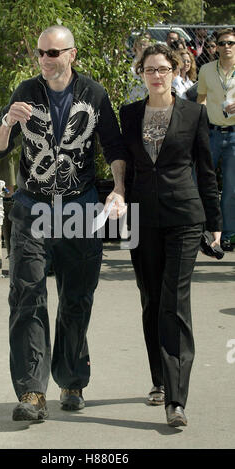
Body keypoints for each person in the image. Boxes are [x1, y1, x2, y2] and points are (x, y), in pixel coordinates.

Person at [0, 25, 126, 421]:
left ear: (72, 55)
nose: (45, 59)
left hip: (79, 208)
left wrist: (118, 188)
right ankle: (32, 392)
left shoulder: (94, 94)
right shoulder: (25, 92)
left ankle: (71, 379)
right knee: (27, 294)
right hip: (31, 208)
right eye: (41, 53)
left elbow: (113, 145)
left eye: (53, 52)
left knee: (77, 298)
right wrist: (8, 123)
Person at [120, 43, 222, 427]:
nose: (157, 75)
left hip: (184, 216)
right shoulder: (129, 115)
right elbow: (124, 167)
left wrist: (214, 222)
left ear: (175, 71)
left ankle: (176, 401)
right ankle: (159, 381)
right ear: (141, 73)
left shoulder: (193, 113)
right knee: (150, 299)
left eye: (163, 69)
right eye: (150, 69)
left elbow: (206, 169)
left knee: (174, 302)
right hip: (139, 218)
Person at [197, 28, 235, 252]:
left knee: (231, 189)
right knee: (204, 185)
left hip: (233, 135)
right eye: (222, 43)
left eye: (231, 43)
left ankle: (228, 234)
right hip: (210, 133)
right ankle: (205, 232)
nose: (227, 47)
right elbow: (200, 100)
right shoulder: (206, 69)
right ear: (217, 47)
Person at [125, 33, 151, 103]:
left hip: (144, 96)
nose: (142, 47)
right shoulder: (128, 60)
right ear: (135, 45)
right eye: (140, 44)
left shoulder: (151, 62)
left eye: (145, 45)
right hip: (129, 96)